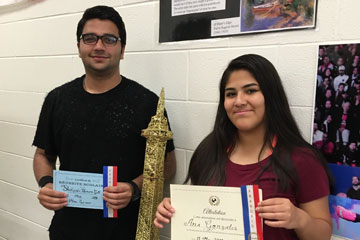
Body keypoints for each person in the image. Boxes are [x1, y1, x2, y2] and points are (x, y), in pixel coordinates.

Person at [32, 5, 176, 240]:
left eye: (109, 39)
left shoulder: (147, 103)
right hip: (68, 230)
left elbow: (168, 163)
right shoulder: (57, 99)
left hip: (127, 232)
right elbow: (43, 155)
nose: (99, 46)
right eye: (90, 38)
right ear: (78, 47)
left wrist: (133, 188)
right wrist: (46, 184)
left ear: (122, 50)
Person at [154, 54, 333, 239]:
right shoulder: (208, 152)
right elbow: (200, 213)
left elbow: (323, 234)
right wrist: (175, 210)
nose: (239, 101)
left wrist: (299, 219)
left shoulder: (302, 159)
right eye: (231, 94)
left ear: (270, 96)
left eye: (250, 91)